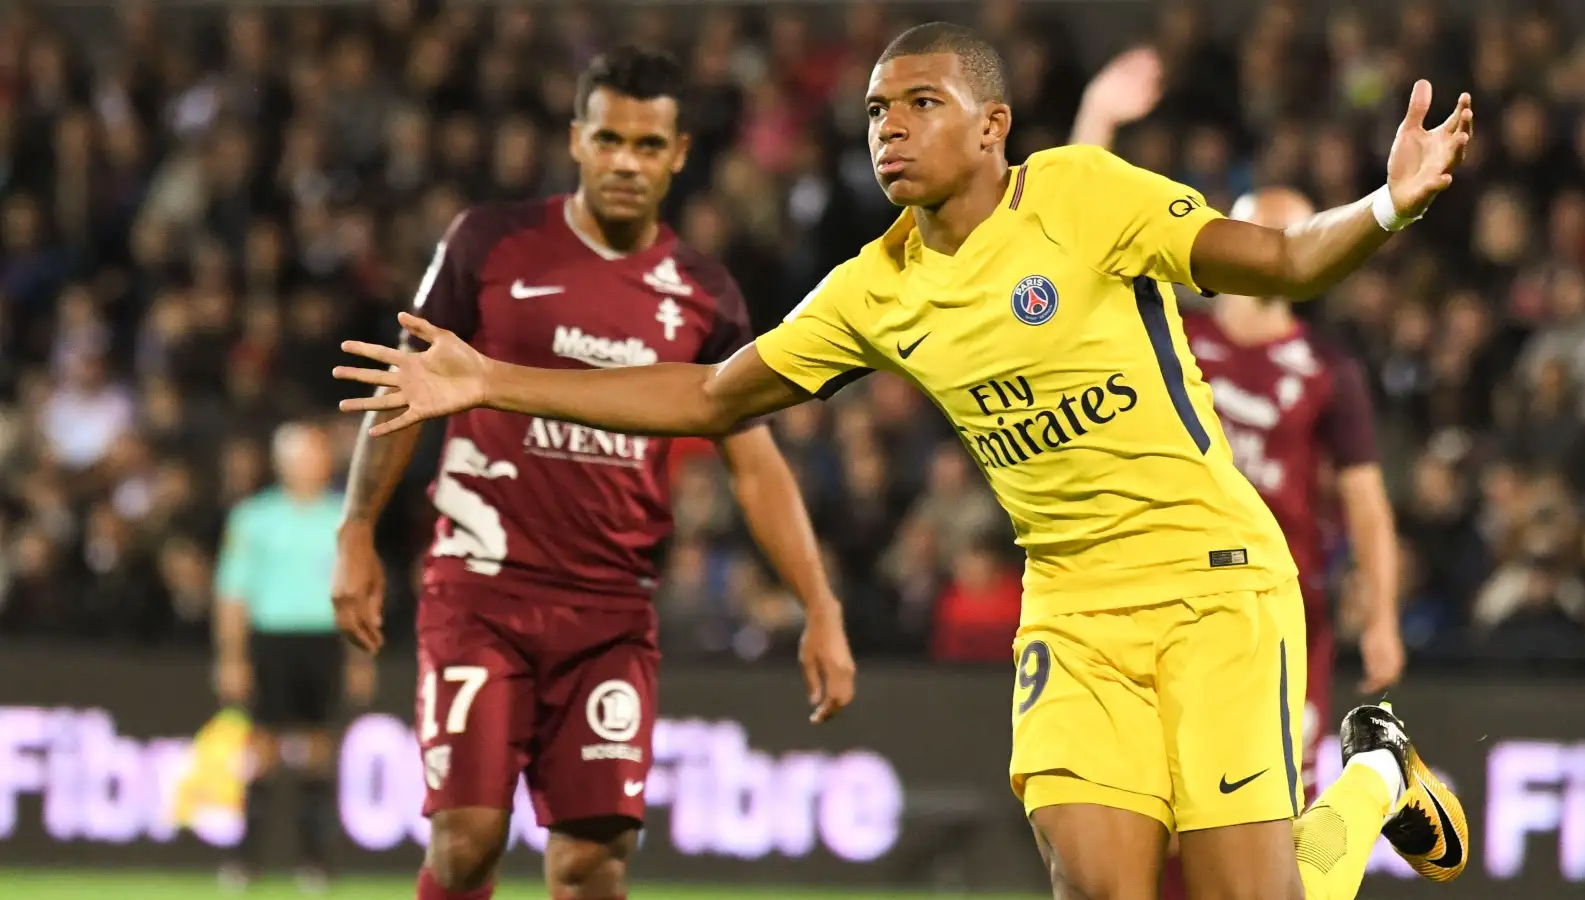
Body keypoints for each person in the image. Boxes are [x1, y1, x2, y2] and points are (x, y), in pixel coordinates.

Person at [336, 23, 1473, 900]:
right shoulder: (873, 288)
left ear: (992, 126)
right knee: (1098, 886)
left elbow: (1275, 258)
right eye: (878, 110)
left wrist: (1385, 205)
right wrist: (490, 380)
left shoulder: (1077, 193)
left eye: (922, 105)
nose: (889, 128)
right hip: (1073, 613)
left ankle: (1374, 780)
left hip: (1215, 581)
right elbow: (710, 395)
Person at [329, 48, 854, 900]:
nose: (625, 162)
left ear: (680, 155)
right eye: (608, 138)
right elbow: (407, 391)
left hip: (610, 612)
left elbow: (755, 466)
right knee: (465, 844)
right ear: (576, 140)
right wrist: (355, 529)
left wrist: (820, 605)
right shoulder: (489, 243)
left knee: (592, 866)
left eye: (649, 146)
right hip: (480, 593)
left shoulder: (704, 295)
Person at [1069, 58, 1408, 900]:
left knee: (1269, 852)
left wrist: (1384, 615)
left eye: (1287, 238)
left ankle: (1373, 777)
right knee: (1157, 840)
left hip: (1272, 613)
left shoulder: (1325, 370)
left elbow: (1364, 503)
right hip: (1150, 595)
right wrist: (1096, 118)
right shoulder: (1171, 330)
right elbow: (1072, 240)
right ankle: (1379, 774)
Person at [214, 421, 373, 892]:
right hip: (272, 642)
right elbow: (232, 593)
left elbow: (356, 595)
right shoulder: (253, 519)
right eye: (299, 456)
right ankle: (246, 861)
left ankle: (315, 863)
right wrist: (232, 657)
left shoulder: (343, 518)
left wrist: (360, 657)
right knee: (260, 751)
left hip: (322, 642)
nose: (308, 464)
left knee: (320, 754)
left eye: (315, 455)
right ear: (282, 463)